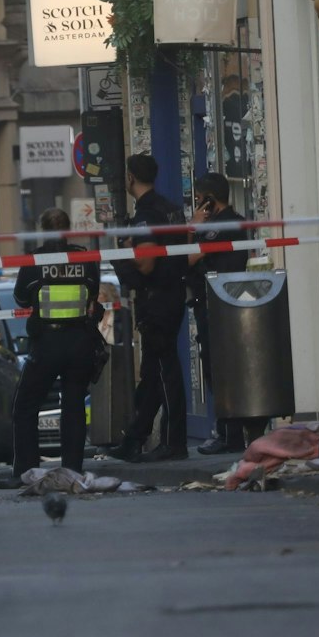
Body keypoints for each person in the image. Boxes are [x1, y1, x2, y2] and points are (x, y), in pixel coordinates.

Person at [0, 208, 107, 489]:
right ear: (68, 230)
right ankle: (72, 471)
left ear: (43, 231)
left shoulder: (35, 261)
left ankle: (25, 471)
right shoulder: (84, 258)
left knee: (25, 405)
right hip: (80, 341)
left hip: (47, 343)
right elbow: (93, 293)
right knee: (73, 406)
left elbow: (21, 298)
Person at [113, 153, 190, 462]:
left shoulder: (146, 214)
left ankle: (174, 442)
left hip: (157, 299)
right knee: (152, 374)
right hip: (172, 295)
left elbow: (146, 264)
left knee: (164, 372)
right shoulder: (171, 209)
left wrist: (124, 251)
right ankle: (135, 438)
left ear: (131, 177)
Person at [185, 173, 260, 456]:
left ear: (209, 199)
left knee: (219, 370)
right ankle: (234, 432)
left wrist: (193, 227)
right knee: (224, 369)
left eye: (198, 198)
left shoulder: (218, 227)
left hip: (217, 306)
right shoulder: (232, 221)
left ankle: (229, 433)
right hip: (224, 304)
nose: (196, 204)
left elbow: (188, 257)